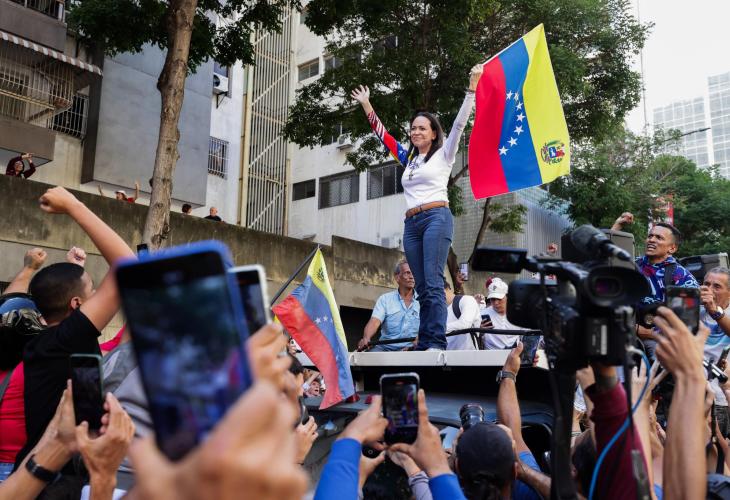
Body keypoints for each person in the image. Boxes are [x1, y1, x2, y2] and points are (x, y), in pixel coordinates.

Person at [351, 63, 483, 351]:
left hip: (436, 217)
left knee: (433, 283)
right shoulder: (408, 159)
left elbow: (460, 124)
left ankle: (435, 341)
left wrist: (472, 89)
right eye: (413, 128)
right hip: (411, 224)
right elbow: (384, 136)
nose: (416, 132)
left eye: (422, 128)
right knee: (421, 287)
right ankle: (425, 341)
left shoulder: (444, 154)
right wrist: (366, 104)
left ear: (434, 133)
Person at [15, 187, 135, 484]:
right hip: (54, 480)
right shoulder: (64, 340)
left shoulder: (45, 341)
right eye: (93, 290)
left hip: (45, 472)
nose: (98, 296)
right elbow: (127, 267)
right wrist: (73, 205)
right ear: (76, 304)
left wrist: (75, 270)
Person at [612, 213, 699, 359]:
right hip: (624, 334)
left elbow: (687, 324)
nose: (651, 240)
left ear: (672, 248)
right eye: (650, 236)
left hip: (659, 341)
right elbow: (609, 259)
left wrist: (650, 333)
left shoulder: (682, 276)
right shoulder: (633, 264)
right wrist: (618, 225)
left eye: (659, 238)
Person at [359, 260, 420, 352]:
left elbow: (428, 326)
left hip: (411, 349)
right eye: (407, 273)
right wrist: (366, 338)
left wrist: (419, 340)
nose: (411, 277)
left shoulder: (422, 301)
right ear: (397, 277)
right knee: (367, 357)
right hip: (385, 349)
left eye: (413, 273)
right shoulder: (385, 299)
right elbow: (374, 321)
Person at [700, 267, 730, 436]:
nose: (709, 290)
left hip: (720, 398)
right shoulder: (693, 311)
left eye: (717, 286)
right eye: (706, 284)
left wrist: (715, 311)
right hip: (694, 394)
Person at [480, 278, 524, 349]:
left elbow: (528, 336)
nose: (496, 303)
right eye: (493, 299)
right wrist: (479, 331)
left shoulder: (519, 314)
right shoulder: (482, 314)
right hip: (490, 354)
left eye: (499, 299)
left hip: (514, 353)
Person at [444, 282, 481, 350]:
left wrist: (438, 329)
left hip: (468, 354)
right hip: (445, 355)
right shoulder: (436, 310)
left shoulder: (467, 300)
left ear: (447, 289)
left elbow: (465, 324)